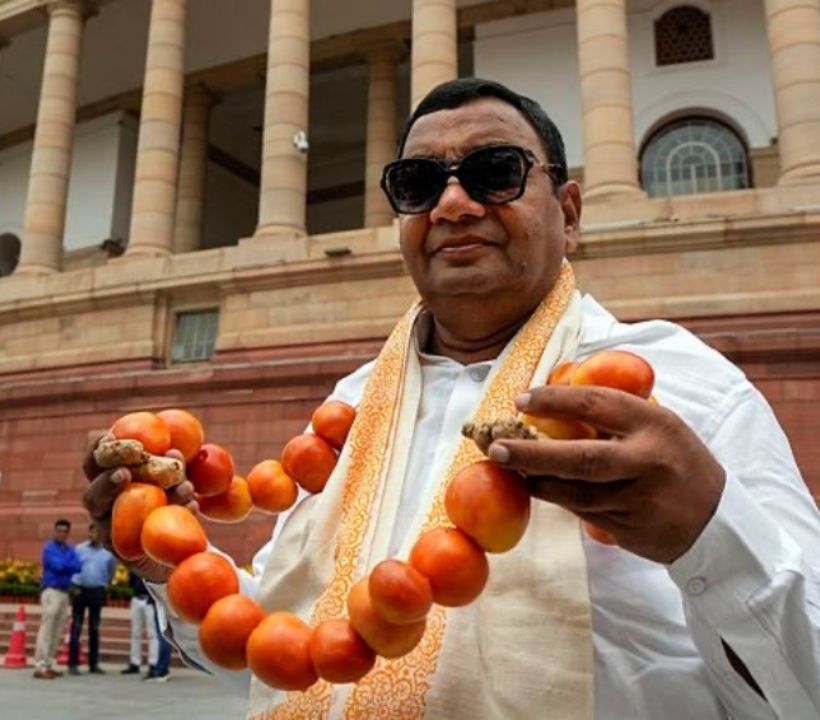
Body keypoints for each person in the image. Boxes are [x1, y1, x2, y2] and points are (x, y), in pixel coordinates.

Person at [83, 78, 820, 718]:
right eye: (419, 183)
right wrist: (160, 552)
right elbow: (285, 652)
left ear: (568, 213)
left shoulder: (679, 388)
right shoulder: (350, 408)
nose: (454, 203)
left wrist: (708, 533)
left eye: (495, 172)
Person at [33, 518, 82, 680]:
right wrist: (68, 564)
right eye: (59, 531)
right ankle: (40, 666)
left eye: (64, 531)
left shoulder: (70, 549)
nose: (61, 534)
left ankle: (48, 664)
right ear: (55, 531)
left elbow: (78, 567)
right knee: (47, 629)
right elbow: (59, 566)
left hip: (64, 592)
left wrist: (66, 564)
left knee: (57, 630)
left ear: (68, 533)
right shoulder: (49, 548)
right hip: (51, 591)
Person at [67, 521, 116, 675]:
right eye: (92, 532)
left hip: (97, 591)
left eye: (97, 532)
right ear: (88, 533)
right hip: (79, 590)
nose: (94, 535)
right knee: (76, 626)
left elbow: (111, 572)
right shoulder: (79, 549)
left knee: (94, 628)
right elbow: (71, 567)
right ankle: (73, 664)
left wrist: (105, 585)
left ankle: (93, 664)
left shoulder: (108, 553)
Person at [121, 571, 164, 680]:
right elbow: (131, 579)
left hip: (149, 600)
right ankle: (135, 662)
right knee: (135, 633)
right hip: (136, 598)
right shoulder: (136, 566)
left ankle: (153, 663)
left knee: (152, 634)